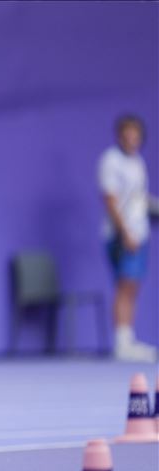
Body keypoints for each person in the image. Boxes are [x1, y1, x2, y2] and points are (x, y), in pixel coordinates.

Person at [98, 114, 157, 362]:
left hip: (140, 232)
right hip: (124, 235)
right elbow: (110, 201)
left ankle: (128, 338)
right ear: (119, 135)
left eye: (136, 135)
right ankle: (122, 344)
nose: (132, 139)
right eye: (127, 134)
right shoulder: (111, 161)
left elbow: (138, 199)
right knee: (125, 285)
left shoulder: (138, 162)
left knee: (132, 286)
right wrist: (126, 232)